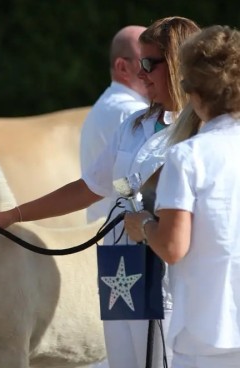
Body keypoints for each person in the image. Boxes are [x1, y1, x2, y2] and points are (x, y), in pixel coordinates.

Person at [0, 16, 200, 368]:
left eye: (149, 64)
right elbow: (88, 187)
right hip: (119, 265)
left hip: (164, 271)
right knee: (123, 361)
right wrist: (12, 216)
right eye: (139, 62)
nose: (141, 74)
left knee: (160, 360)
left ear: (175, 64)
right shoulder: (133, 124)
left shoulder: (202, 132)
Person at [125, 25, 240, 368]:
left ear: (193, 92)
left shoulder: (187, 157)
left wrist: (143, 225)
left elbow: (172, 247)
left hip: (207, 335)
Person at [80, 25, 149, 223]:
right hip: (127, 239)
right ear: (122, 67)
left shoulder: (105, 106)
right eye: (145, 60)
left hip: (107, 237)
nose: (152, 68)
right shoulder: (131, 113)